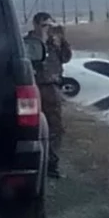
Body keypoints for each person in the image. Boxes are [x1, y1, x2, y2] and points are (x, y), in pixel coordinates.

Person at [26, 12, 72, 179]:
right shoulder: (28, 42)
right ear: (36, 25)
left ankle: (52, 164)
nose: (48, 29)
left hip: (52, 88)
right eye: (45, 25)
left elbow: (66, 58)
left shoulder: (55, 43)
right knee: (32, 127)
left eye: (50, 25)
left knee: (55, 128)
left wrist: (61, 39)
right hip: (34, 87)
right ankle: (34, 162)